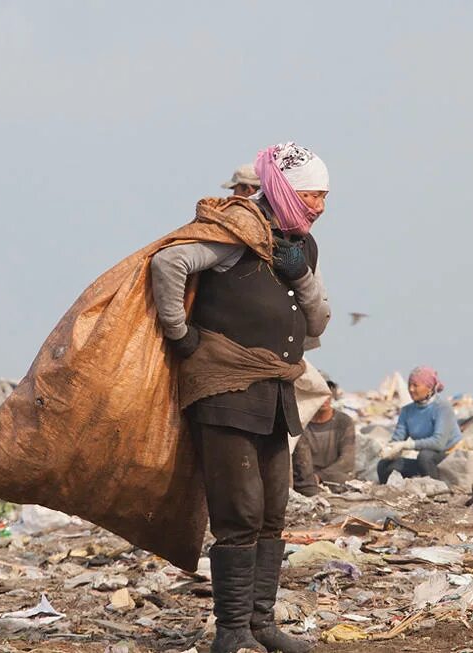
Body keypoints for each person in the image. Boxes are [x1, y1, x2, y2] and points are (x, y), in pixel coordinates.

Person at [151, 142, 331, 653]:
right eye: (312, 195)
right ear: (286, 190)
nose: (318, 206)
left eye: (324, 197)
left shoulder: (300, 247)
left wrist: (300, 273)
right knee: (239, 512)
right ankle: (230, 631)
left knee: (274, 511)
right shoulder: (237, 236)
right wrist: (179, 334)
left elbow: (318, 321)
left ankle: (262, 625)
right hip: (225, 390)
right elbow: (169, 264)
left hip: (275, 394)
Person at [377, 366, 462, 483]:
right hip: (425, 460)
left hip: (447, 455)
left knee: (425, 457)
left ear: (429, 388)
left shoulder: (442, 408)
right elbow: (397, 439)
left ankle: (438, 490)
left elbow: (439, 443)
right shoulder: (407, 411)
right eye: (409, 385)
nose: (411, 389)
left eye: (415, 385)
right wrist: (390, 449)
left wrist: (406, 445)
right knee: (384, 465)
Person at [292, 381, 355, 496]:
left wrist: (320, 476)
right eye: (318, 394)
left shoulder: (344, 422)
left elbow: (347, 461)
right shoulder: (301, 423)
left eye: (326, 393)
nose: (323, 398)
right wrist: (311, 479)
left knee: (346, 481)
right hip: (305, 479)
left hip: (333, 476)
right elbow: (301, 464)